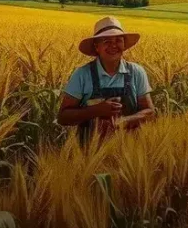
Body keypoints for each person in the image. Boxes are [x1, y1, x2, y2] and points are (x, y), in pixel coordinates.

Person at [58, 16, 156, 144]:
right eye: (106, 41)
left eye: (118, 40)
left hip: (130, 154)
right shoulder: (82, 74)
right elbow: (63, 117)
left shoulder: (136, 72)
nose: (114, 45)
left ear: (124, 44)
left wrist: (123, 122)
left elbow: (150, 112)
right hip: (89, 156)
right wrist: (97, 110)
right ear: (96, 47)